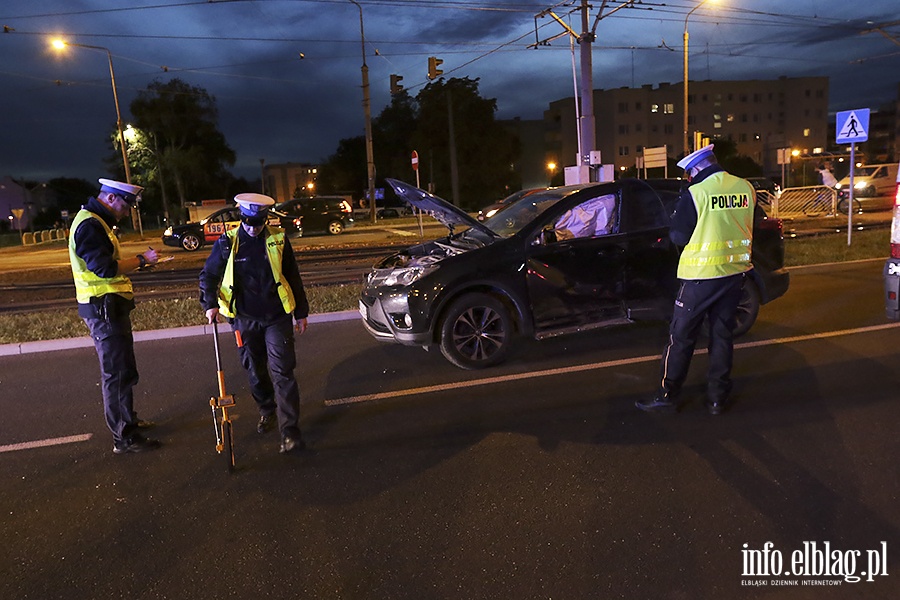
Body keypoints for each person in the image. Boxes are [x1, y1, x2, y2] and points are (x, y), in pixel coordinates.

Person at [636, 144, 755, 416]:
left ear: (697, 169)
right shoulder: (745, 187)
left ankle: (668, 396)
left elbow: (678, 237)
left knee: (680, 338)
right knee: (721, 336)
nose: (689, 179)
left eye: (690, 173)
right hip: (735, 275)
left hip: (700, 278)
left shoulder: (697, 193)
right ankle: (717, 399)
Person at [199, 193, 310, 454]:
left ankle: (290, 432)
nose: (252, 228)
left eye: (258, 223)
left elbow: (292, 274)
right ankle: (267, 409)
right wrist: (210, 304)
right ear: (241, 218)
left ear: (265, 220)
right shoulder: (227, 242)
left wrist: (301, 312)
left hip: (276, 317)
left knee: (283, 372)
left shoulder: (278, 239)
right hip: (243, 319)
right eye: (247, 222)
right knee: (255, 370)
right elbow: (209, 275)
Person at [68, 178, 161, 454]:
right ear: (110, 199)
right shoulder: (89, 225)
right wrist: (142, 260)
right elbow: (105, 268)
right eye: (125, 205)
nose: (126, 212)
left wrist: (136, 264)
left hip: (110, 307)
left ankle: (127, 420)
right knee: (117, 373)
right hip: (102, 308)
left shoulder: (97, 222)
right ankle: (124, 436)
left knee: (124, 369)